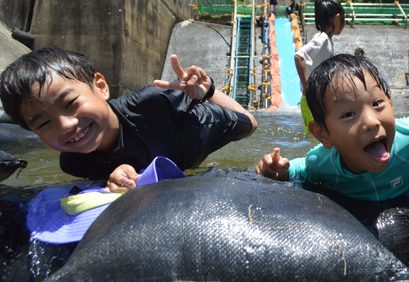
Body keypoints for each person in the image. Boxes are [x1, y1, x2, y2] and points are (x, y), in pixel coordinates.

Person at [0, 48, 257, 192]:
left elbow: (249, 126)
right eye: (44, 123)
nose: (66, 125)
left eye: (70, 104)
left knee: (248, 124)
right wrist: (116, 179)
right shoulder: (74, 162)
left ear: (100, 86)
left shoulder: (155, 104)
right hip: (167, 151)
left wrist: (205, 93)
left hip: (190, 133)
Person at [256, 54, 409, 201]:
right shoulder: (322, 165)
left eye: (377, 104)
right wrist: (280, 172)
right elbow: (301, 168)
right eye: (349, 114)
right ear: (323, 134)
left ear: (390, 102)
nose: (372, 121)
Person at [295, 0, 345, 130]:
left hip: (317, 99)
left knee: (320, 137)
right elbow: (299, 56)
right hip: (312, 100)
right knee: (319, 136)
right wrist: (307, 87)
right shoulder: (322, 38)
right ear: (337, 18)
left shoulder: (327, 39)